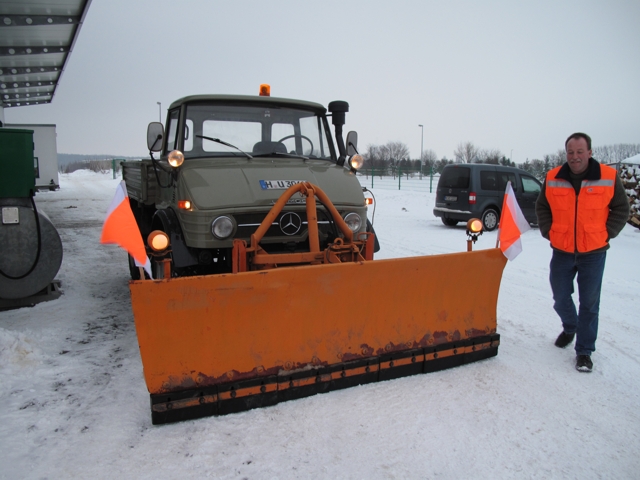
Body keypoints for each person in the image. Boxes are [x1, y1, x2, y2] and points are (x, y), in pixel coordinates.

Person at [535, 132, 629, 372]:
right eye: (570, 152)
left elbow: (621, 209)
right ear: (565, 153)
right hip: (562, 250)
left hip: (594, 253)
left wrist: (605, 234)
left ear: (589, 152)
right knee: (560, 296)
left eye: (579, 152)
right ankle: (570, 326)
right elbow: (542, 205)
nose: (574, 157)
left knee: (589, 303)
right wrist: (549, 231)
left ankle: (584, 351)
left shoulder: (608, 177)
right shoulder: (553, 177)